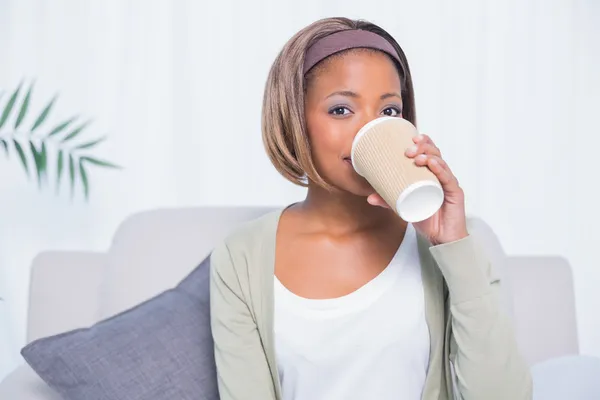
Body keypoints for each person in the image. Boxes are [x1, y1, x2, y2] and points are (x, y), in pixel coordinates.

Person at [209, 17, 532, 400]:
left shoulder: (449, 241)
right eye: (341, 110)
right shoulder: (242, 256)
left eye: (389, 112)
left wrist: (453, 245)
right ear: (294, 120)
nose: (370, 130)